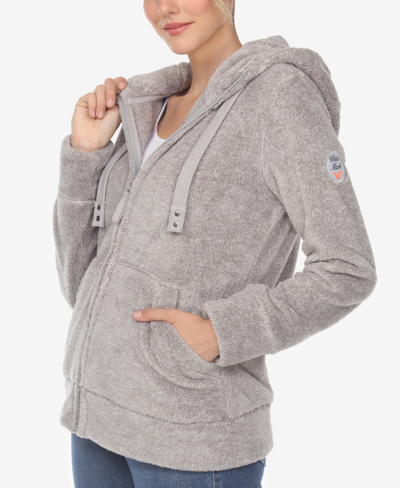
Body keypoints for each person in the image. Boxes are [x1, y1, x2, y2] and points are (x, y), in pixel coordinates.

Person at [53, 0, 377, 486]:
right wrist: (86, 155)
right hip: (97, 418)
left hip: (194, 437)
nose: (166, 8)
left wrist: (226, 331)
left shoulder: (281, 98)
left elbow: (348, 267)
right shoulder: (147, 106)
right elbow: (81, 283)